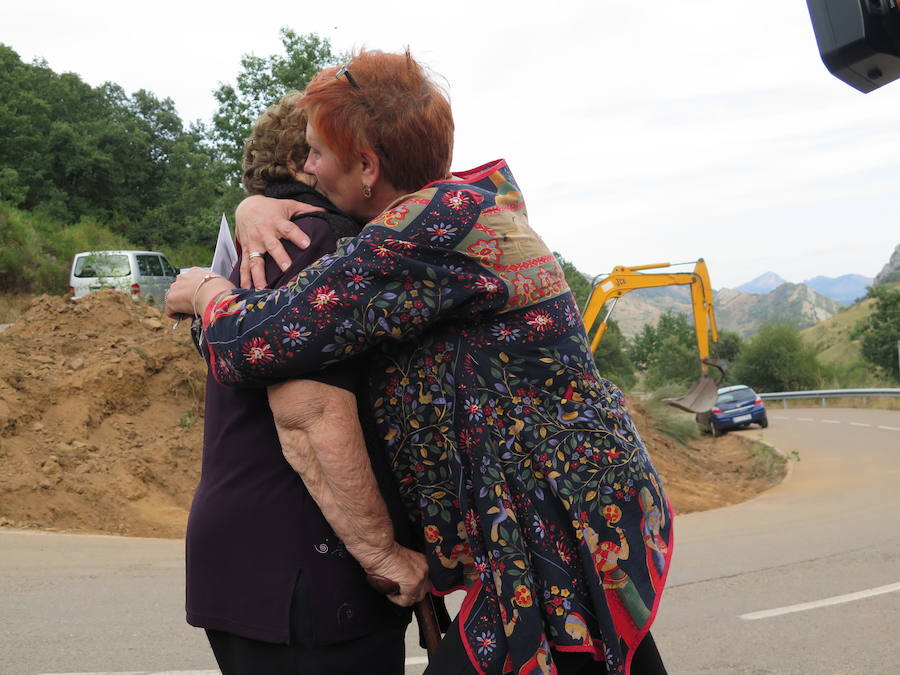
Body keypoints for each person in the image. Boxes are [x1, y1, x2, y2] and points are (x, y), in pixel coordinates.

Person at [168, 49, 672, 675]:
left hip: (555, 520)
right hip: (565, 510)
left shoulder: (423, 229)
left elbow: (263, 339)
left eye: (316, 155)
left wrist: (203, 291)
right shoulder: (466, 205)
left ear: (368, 166)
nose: (309, 172)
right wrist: (255, 206)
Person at [182, 91, 421, 675]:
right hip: (309, 560)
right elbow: (308, 414)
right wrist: (381, 553)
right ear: (303, 161)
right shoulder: (317, 241)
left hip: (252, 556)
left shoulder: (259, 242)